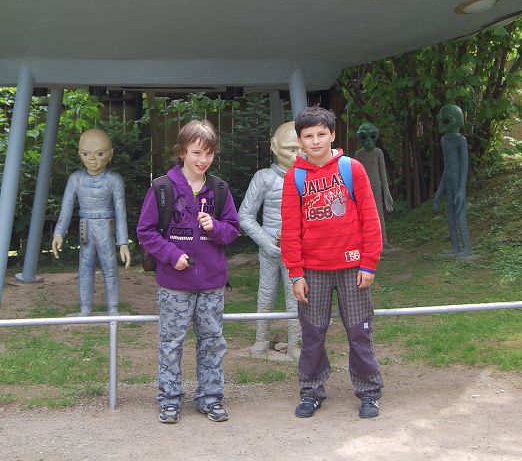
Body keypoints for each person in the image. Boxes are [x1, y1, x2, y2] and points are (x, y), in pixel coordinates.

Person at [281, 107, 383, 419]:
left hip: (353, 269)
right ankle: (311, 391)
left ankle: (369, 392)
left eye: (321, 134)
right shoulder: (295, 177)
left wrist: (369, 263)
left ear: (333, 135)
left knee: (359, 332)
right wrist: (295, 272)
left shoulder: (352, 169)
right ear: (300, 141)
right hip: (313, 271)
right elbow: (290, 229)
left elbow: (370, 218)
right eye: (308, 136)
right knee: (312, 335)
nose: (315, 141)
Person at [137, 119, 240, 425]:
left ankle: (210, 398)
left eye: (209, 153)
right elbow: (145, 232)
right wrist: (172, 255)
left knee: (212, 342)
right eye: (196, 152)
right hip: (174, 285)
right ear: (182, 151)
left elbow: (233, 231)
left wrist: (215, 227)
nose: (202, 160)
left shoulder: (219, 189)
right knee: (171, 344)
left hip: (212, 284)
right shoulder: (162, 188)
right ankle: (169, 400)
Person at [239, 121, 301, 361]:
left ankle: (296, 343)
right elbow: (245, 215)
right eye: (291, 149)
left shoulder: (308, 177)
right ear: (274, 147)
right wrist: (266, 242)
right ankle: (261, 339)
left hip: (297, 250)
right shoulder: (264, 178)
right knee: (266, 293)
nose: (297, 155)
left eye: (301, 149)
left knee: (296, 296)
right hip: (269, 248)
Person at [52, 128, 130, 316]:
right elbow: (66, 209)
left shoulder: (114, 180)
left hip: (106, 227)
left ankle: (113, 309)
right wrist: (59, 232)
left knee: (110, 267)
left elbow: (121, 213)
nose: (92, 159)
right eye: (86, 154)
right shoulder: (75, 179)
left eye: (100, 153)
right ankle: (85, 309)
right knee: (85, 268)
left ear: (110, 154)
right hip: (85, 227)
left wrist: (123, 243)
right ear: (79, 153)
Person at [433, 104, 472, 258]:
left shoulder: (460, 141)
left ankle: (467, 248)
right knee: (450, 216)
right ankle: (455, 247)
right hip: (449, 183)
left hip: (457, 185)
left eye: (446, 121)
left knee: (460, 215)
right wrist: (439, 192)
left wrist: (462, 189)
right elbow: (447, 167)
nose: (441, 124)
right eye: (440, 120)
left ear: (457, 122)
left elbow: (464, 166)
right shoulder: (444, 140)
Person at [354, 122, 394, 251]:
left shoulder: (378, 153)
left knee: (379, 213)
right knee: (365, 215)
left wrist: (386, 192)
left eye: (372, 137)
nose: (368, 141)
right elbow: (356, 174)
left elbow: (383, 174)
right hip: (363, 188)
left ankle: (383, 241)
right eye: (364, 137)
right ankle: (369, 243)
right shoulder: (359, 154)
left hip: (376, 187)